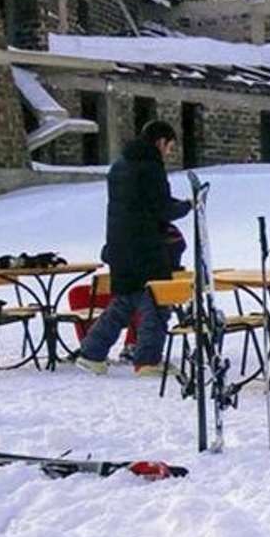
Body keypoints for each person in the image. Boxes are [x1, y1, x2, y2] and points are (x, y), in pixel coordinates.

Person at [76, 120, 191, 376]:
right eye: (169, 147)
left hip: (119, 244)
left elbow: (139, 202)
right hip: (146, 247)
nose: (168, 153)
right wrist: (187, 206)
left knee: (125, 301)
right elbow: (160, 208)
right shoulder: (151, 167)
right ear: (161, 142)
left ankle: (91, 353)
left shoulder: (120, 166)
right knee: (157, 302)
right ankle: (148, 361)